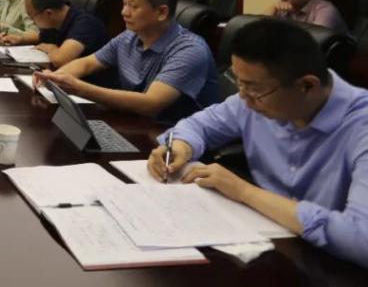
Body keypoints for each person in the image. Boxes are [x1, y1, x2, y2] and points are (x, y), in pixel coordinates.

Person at [148, 18, 368, 268]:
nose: (243, 98)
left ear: (307, 86)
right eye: (239, 83)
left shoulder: (360, 127)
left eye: (253, 89)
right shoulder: (254, 98)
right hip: (261, 248)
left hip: (327, 266)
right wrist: (180, 147)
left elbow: (361, 238)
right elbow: (197, 126)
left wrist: (244, 192)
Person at [35, 0, 219, 122]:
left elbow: (151, 104)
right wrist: (56, 78)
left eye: (134, 6)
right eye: (124, 4)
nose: (124, 12)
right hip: (134, 122)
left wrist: (79, 88)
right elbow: (87, 63)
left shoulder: (189, 50)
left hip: (174, 137)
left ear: (161, 12)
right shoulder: (129, 36)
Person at [1, 0, 108, 68]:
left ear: (48, 13)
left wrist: (51, 48)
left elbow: (60, 60)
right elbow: (40, 36)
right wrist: (20, 39)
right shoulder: (55, 20)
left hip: (90, 84)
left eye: (32, 17)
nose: (32, 21)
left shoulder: (85, 24)